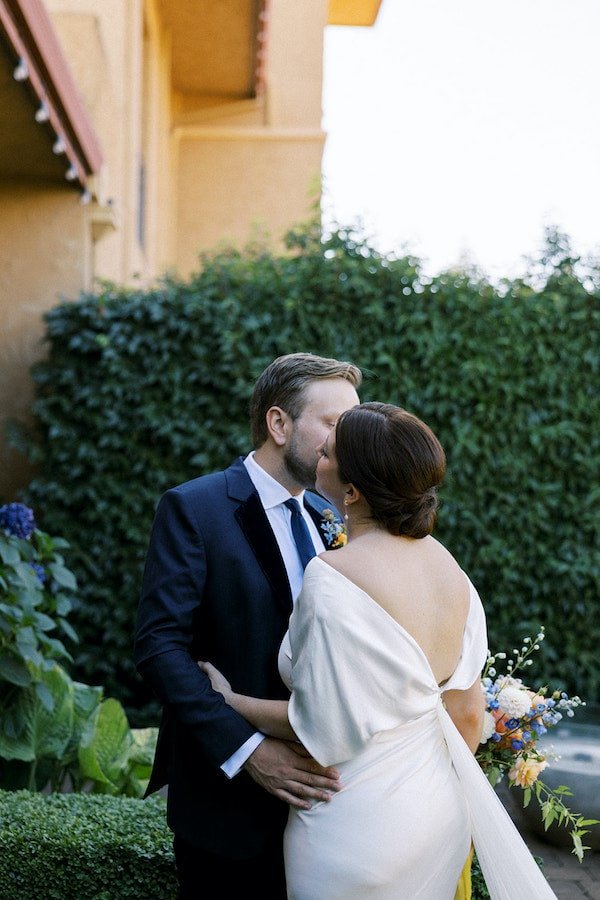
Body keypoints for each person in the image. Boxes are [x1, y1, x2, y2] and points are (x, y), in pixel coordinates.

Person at [199, 402, 558, 899]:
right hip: (437, 818)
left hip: (356, 825)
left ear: (351, 491)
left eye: (326, 454)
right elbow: (469, 714)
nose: (317, 458)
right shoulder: (452, 573)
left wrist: (228, 701)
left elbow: (319, 732)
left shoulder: (332, 577)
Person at [133, 352, 362, 899]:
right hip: (227, 807)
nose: (347, 443)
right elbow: (159, 648)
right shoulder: (195, 506)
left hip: (326, 809)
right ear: (279, 424)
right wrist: (249, 750)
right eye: (334, 425)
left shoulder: (331, 519)